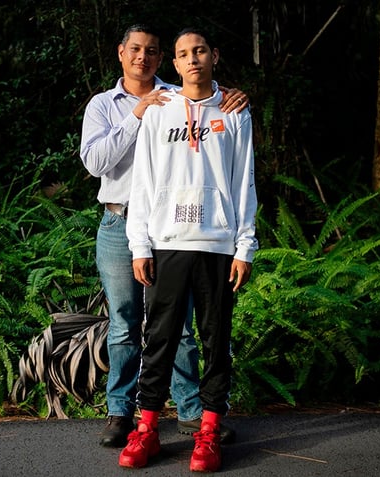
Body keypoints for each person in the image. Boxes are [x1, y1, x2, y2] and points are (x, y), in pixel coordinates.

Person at [79, 24, 247, 448]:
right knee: (125, 324)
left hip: (179, 230)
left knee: (181, 329)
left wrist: (235, 97)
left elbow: (205, 95)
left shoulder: (174, 96)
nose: (143, 56)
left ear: (163, 58)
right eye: (135, 49)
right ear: (121, 53)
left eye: (152, 50)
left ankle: (191, 412)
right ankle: (121, 413)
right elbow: (96, 162)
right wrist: (137, 114)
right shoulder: (104, 105)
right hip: (122, 224)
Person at [119, 27, 258, 472]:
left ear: (214, 56)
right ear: (173, 64)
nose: (192, 59)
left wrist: (245, 246)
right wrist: (140, 244)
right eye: (182, 54)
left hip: (217, 244)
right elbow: (142, 183)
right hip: (167, 243)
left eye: (199, 51)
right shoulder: (159, 112)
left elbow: (244, 181)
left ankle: (208, 434)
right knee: (158, 341)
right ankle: (146, 432)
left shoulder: (234, 111)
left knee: (216, 342)